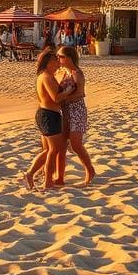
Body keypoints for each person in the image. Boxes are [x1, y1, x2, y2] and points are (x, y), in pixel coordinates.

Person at [55, 46, 96, 185]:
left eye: (60, 56)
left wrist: (66, 95)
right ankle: (60, 177)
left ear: (69, 58)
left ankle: (89, 169)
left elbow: (80, 93)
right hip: (63, 110)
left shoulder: (77, 73)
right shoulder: (61, 72)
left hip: (76, 109)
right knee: (61, 145)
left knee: (76, 144)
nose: (58, 59)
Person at [24, 50, 64, 189]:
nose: (58, 64)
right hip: (48, 114)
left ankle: (35, 174)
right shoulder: (46, 76)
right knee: (54, 149)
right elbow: (56, 97)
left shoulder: (47, 75)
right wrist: (69, 90)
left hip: (47, 114)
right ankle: (45, 179)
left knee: (48, 150)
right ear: (48, 62)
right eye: (55, 61)